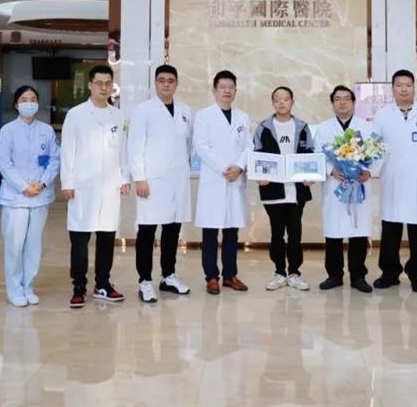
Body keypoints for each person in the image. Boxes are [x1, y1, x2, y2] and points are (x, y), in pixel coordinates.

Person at [60, 64, 130, 309]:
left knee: (106, 237)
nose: (103, 87)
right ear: (90, 85)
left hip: (110, 187)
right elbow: (67, 151)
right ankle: (78, 287)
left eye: (108, 83)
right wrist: (67, 183)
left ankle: (103, 284)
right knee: (80, 241)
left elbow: (123, 150)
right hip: (83, 187)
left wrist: (125, 178)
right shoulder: (76, 114)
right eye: (99, 83)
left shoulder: (118, 116)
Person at [127, 65, 194, 303]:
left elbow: (188, 145)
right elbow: (135, 146)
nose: (166, 84)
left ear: (176, 84)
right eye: (162, 80)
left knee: (172, 230)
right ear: (155, 83)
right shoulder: (144, 110)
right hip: (152, 181)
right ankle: (145, 280)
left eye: (171, 80)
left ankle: (168, 276)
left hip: (177, 180)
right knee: (147, 231)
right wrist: (140, 178)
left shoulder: (185, 110)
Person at [372, 69, 417, 292]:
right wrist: (371, 170)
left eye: (408, 85)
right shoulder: (383, 114)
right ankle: (389, 273)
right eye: (399, 85)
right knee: (390, 227)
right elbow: (374, 146)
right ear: (392, 89)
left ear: (414, 88)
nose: (404, 89)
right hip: (391, 177)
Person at [0, 85, 59, 307]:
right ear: (16, 104)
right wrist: (24, 187)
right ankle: (14, 289)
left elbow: (54, 160)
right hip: (15, 198)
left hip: (40, 196)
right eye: (24, 99)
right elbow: (5, 164)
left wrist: (42, 183)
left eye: (33, 99)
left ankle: (28, 286)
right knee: (14, 245)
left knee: (33, 245)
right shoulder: (8, 131)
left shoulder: (46, 131)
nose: (29, 103)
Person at [193, 70, 252, 295]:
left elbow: (249, 146)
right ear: (214, 90)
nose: (227, 91)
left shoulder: (242, 117)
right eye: (222, 87)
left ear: (235, 91)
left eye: (231, 87)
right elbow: (202, 147)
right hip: (215, 179)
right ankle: (211, 277)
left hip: (235, 178)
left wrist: (239, 167)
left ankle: (230, 275)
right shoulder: (203, 116)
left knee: (231, 231)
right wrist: (225, 168)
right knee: (210, 231)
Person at [312, 85, 375, 293]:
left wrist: (368, 171)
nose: (342, 103)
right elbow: (317, 155)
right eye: (337, 99)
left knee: (358, 231)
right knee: (334, 231)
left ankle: (358, 276)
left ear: (354, 102)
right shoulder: (324, 128)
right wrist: (330, 170)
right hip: (335, 185)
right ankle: (334, 275)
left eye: (346, 98)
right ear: (332, 103)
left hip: (358, 184)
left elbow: (377, 153)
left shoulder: (366, 127)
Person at [253, 86, 315, 292]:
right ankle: (279, 272)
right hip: (273, 192)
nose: (281, 102)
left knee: (295, 234)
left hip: (297, 191)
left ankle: (295, 273)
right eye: (277, 99)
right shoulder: (263, 127)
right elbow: (256, 155)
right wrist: (259, 176)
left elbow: (310, 153)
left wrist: (311, 175)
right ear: (273, 103)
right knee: (277, 234)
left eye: (285, 99)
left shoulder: (302, 127)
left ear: (292, 102)